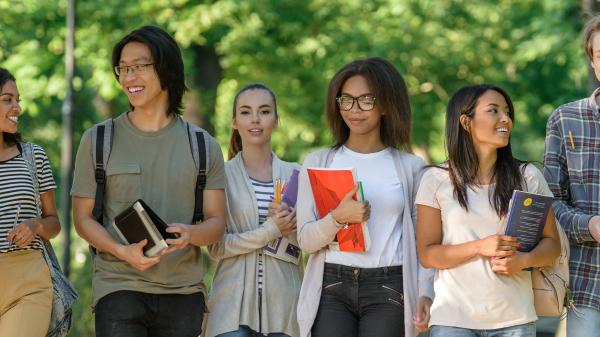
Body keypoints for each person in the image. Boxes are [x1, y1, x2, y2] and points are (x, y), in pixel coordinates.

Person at [71, 26, 226, 337]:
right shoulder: (98, 140)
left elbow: (217, 222)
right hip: (118, 287)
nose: (129, 77)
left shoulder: (203, 145)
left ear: (166, 69)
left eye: (139, 67)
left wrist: (191, 234)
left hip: (184, 293)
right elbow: (83, 219)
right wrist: (120, 250)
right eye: (123, 69)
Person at [296, 57, 434, 337]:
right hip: (331, 285)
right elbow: (306, 241)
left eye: (366, 100)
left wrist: (426, 293)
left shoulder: (412, 168)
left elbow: (424, 244)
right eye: (346, 100)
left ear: (385, 104)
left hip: (389, 286)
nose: (354, 110)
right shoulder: (318, 162)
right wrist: (337, 219)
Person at [416, 84, 561, 336]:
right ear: (465, 121)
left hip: (514, 321)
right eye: (493, 111)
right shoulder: (435, 180)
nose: (506, 118)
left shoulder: (527, 176)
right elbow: (428, 255)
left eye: (507, 112)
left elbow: (552, 246)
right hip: (453, 321)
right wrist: (479, 246)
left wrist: (523, 261)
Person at [205, 83, 302, 337]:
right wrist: (270, 230)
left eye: (265, 111)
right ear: (235, 121)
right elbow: (216, 247)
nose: (255, 119)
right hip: (230, 310)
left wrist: (292, 228)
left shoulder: (297, 174)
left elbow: (309, 246)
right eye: (246, 112)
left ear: (276, 120)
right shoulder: (220, 177)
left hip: (285, 307)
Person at [543, 15, 600, 336]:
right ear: (593, 62)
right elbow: (549, 202)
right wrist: (589, 225)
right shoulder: (565, 119)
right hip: (585, 281)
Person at [0, 67, 62, 336]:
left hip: (28, 282)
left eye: (17, 99)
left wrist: (36, 225)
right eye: (7, 99)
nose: (17, 107)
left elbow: (54, 223)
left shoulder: (32, 156)